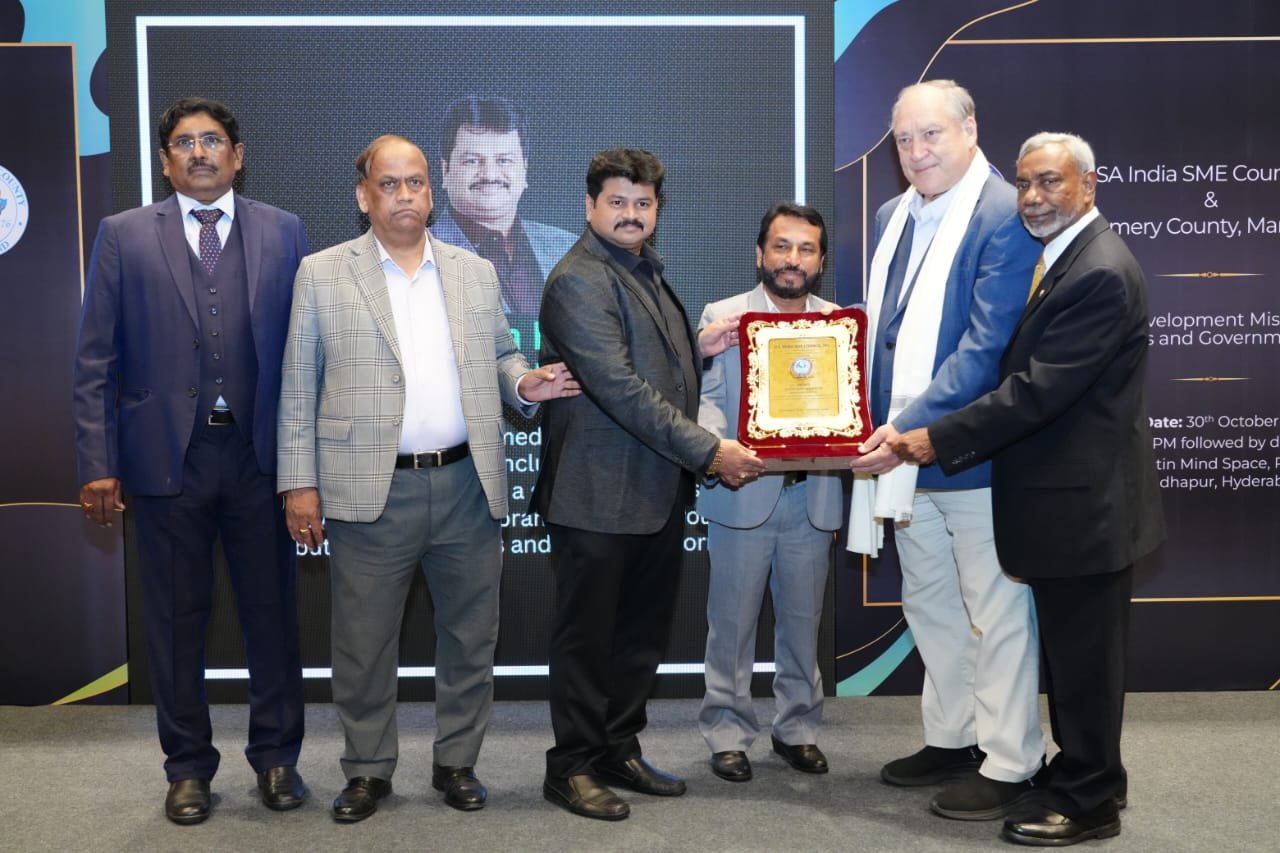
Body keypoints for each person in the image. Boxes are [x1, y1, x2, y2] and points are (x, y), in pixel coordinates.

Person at [276, 134, 579, 823]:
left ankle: (457, 762)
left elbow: (502, 353)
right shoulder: (322, 273)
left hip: (466, 485)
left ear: (430, 192)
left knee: (471, 638)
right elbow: (297, 386)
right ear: (364, 196)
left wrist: (524, 382)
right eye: (389, 184)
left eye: (415, 182)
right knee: (362, 644)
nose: (404, 194)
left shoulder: (473, 271)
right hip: (369, 491)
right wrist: (299, 483)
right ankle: (367, 769)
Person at [889, 133, 1165, 846]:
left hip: (1087, 508)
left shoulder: (1099, 271)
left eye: (1050, 182)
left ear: (1088, 186)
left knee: (1086, 664)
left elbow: (1036, 392)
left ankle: (1091, 800)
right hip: (1071, 504)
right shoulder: (1067, 257)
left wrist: (936, 436)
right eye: (1024, 184)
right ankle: (1084, 773)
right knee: (1073, 658)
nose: (1034, 198)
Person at [73, 97, 307, 824]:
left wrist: (306, 460)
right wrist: (97, 459)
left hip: (260, 456)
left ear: (238, 155)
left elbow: (307, 353)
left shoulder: (284, 230)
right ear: (165, 160)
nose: (199, 152)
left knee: (273, 615)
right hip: (166, 459)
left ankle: (277, 757)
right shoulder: (123, 235)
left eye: (212, 140)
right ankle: (187, 768)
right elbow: (95, 358)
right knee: (176, 622)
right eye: (184, 142)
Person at [534, 148, 765, 821]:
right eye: (618, 202)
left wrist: (698, 349)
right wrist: (711, 452)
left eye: (643, 203)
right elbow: (619, 388)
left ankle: (616, 748)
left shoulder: (645, 269)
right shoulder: (578, 279)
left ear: (656, 209)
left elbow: (650, 365)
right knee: (588, 642)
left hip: (654, 492)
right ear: (590, 206)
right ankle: (571, 766)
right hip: (595, 496)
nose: (631, 214)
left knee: (638, 637)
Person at [848, 80, 1046, 820]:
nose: (917, 151)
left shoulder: (1003, 212)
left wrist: (904, 429)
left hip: (971, 453)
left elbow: (983, 349)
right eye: (904, 139)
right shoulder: (891, 214)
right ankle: (953, 736)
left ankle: (1011, 759)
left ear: (970, 130)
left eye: (931, 134)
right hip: (901, 458)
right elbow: (885, 333)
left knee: (996, 609)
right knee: (928, 601)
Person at [694, 202, 844, 783]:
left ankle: (797, 730)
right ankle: (728, 734)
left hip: (814, 496)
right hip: (742, 490)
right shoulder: (724, 318)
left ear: (820, 261)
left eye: (806, 249)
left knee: (803, 625)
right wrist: (718, 451)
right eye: (782, 246)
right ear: (760, 254)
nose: (792, 259)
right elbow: (706, 399)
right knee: (730, 627)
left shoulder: (839, 326)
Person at [430, 95, 576, 353]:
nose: (490, 174)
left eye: (504, 160)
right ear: (445, 171)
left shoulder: (571, 249)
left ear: (524, 171)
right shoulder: (418, 255)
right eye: (472, 161)